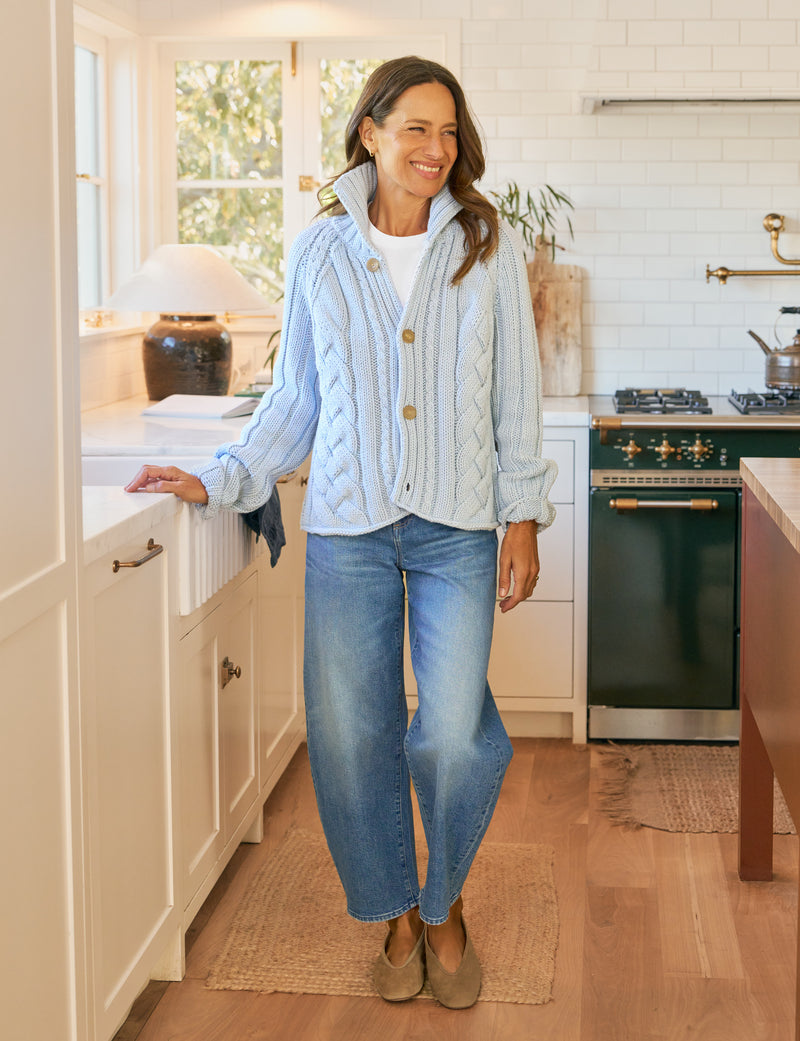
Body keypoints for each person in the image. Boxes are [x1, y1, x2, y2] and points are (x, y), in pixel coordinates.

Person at [125, 55, 557, 1009]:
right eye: (415, 129)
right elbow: (298, 399)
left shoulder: (489, 244)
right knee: (353, 733)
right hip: (350, 528)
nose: (435, 150)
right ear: (370, 131)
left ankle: (444, 903)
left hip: (455, 528)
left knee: (450, 735)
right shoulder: (318, 250)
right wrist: (225, 474)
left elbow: (515, 400)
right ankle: (397, 913)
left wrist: (522, 516)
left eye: (449, 133)